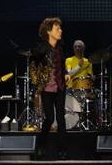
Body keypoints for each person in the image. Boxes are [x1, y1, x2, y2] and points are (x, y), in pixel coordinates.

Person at [32, 18, 68, 159]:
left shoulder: (60, 48)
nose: (60, 31)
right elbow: (33, 67)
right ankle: (41, 145)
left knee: (61, 118)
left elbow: (62, 66)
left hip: (60, 87)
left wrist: (66, 74)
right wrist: (37, 82)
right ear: (48, 31)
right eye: (57, 28)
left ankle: (62, 150)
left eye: (60, 28)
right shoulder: (40, 49)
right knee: (50, 118)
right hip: (46, 88)